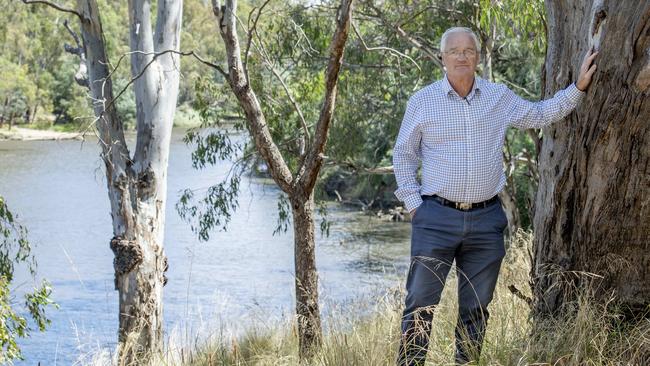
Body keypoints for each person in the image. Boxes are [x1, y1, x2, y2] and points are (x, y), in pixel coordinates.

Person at [393, 27, 597, 365]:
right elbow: (403, 155)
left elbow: (538, 114)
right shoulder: (422, 101)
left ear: (476, 57)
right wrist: (416, 206)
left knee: (476, 308)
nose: (462, 56)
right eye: (454, 51)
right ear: (442, 58)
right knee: (419, 307)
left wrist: (577, 89)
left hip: (486, 221)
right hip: (435, 220)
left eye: (468, 50)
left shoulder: (497, 98)